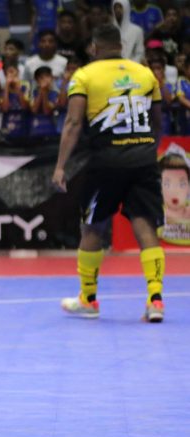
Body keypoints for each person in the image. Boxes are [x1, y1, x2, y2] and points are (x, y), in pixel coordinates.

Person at [51, 23, 166, 323]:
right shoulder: (145, 74)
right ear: (121, 45)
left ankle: (88, 300)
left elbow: (73, 123)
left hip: (106, 161)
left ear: (94, 47)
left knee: (93, 228)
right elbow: (157, 120)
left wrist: (61, 166)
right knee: (145, 226)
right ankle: (155, 300)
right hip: (143, 160)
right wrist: (147, 150)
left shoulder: (84, 76)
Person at [29, 65, 59, 138]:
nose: (45, 80)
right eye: (41, 78)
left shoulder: (56, 94)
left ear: (52, 78)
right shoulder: (33, 93)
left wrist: (44, 92)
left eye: (47, 76)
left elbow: (47, 111)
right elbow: (34, 110)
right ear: (37, 81)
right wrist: (41, 91)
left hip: (51, 130)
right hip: (35, 130)